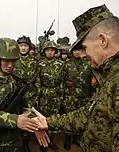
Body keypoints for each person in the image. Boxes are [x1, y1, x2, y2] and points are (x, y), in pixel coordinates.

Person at [34, 4, 119, 152]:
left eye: (85, 47)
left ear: (102, 41)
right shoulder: (109, 75)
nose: (83, 54)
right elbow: (88, 114)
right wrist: (48, 122)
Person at [0, 38, 48, 152]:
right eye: (6, 61)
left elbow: (25, 107)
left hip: (14, 142)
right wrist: (16, 120)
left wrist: (35, 125)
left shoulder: (17, 82)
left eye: (13, 61)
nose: (10, 65)